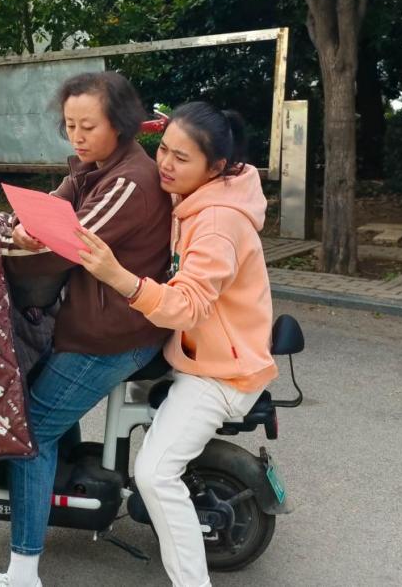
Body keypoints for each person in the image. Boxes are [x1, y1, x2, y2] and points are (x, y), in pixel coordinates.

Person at [76, 101, 279, 587]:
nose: (165, 164)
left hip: (220, 374)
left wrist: (118, 277)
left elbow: (188, 305)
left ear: (216, 166)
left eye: (181, 157)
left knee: (154, 473)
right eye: (163, 149)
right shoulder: (195, 197)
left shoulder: (217, 222)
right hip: (199, 354)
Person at [0, 72, 172, 587]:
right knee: (41, 404)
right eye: (70, 125)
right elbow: (46, 210)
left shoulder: (129, 181)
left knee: (30, 432)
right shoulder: (94, 169)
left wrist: (1, 254)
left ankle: (23, 570)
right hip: (90, 327)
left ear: (120, 123)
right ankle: (55, 483)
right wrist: (18, 229)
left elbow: (66, 246)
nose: (77, 136)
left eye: (88, 126)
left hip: (110, 337)